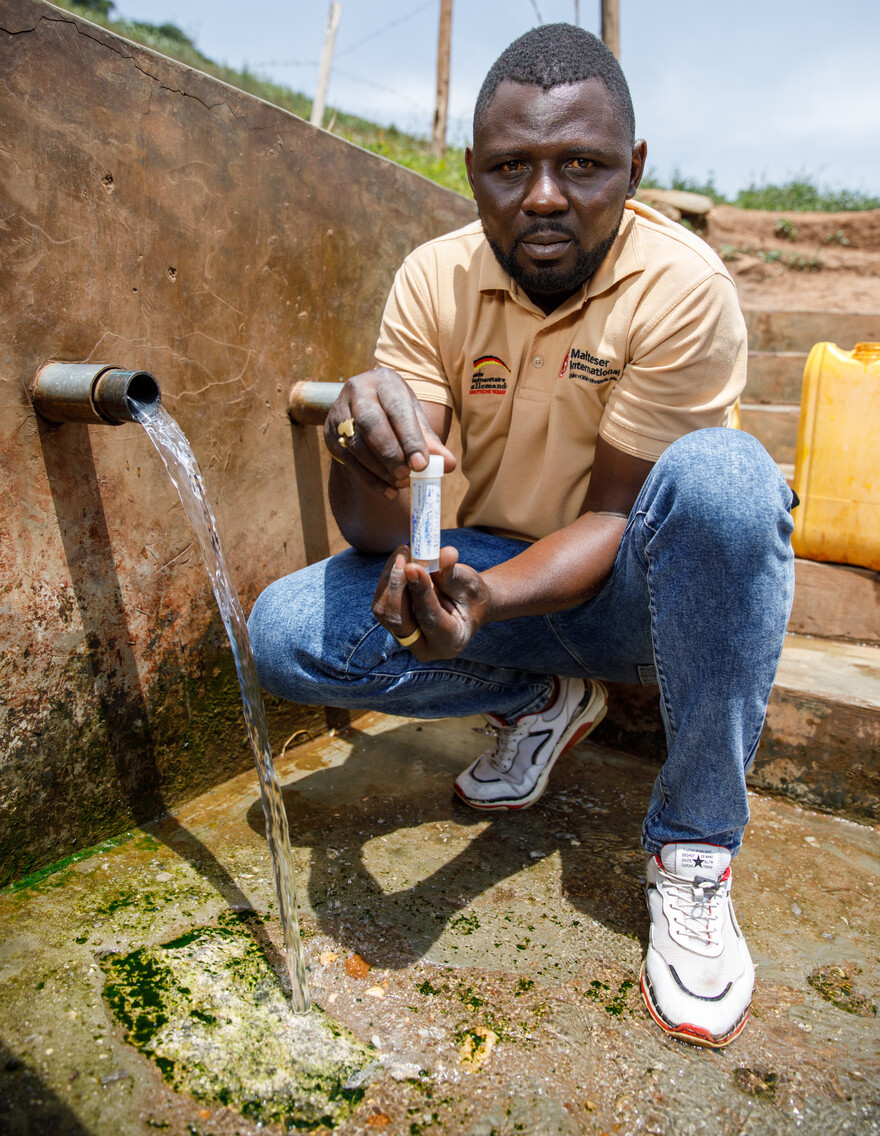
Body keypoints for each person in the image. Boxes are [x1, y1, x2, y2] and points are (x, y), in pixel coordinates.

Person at [248, 23, 796, 1048]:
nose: (544, 194)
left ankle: (693, 844)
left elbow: (609, 517)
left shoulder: (681, 286)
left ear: (632, 169)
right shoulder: (434, 279)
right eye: (512, 166)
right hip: (492, 570)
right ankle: (540, 695)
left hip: (639, 589)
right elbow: (388, 527)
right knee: (284, 630)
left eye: (580, 164)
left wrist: (487, 602)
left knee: (726, 481)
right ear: (473, 173)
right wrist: (354, 449)